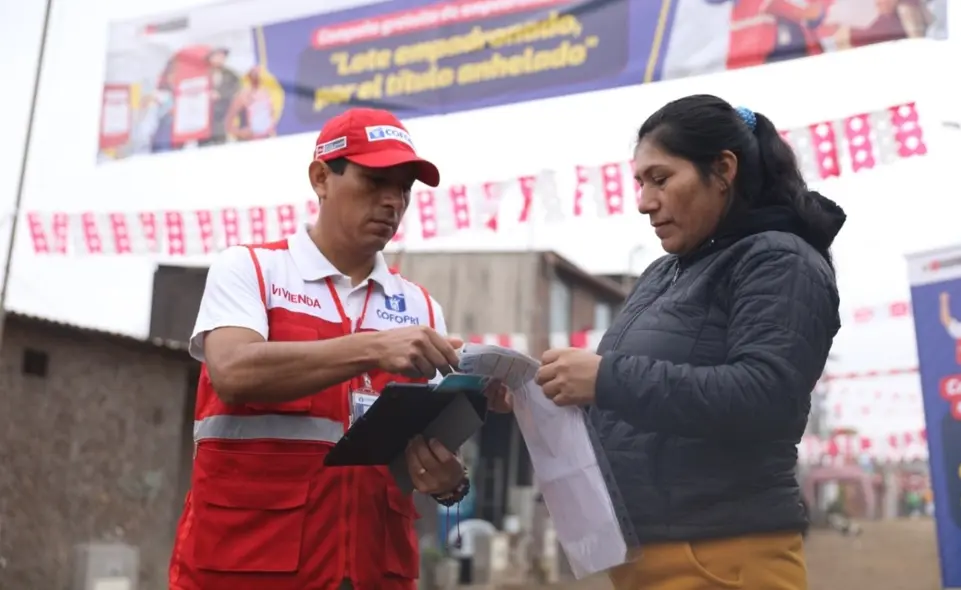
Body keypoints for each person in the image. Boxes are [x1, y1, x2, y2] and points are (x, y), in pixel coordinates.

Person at [532, 95, 846, 589]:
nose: (643, 201)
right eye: (640, 183)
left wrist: (605, 377)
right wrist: (536, 392)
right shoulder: (665, 273)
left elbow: (767, 396)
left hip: (722, 558)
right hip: (645, 554)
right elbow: (632, 408)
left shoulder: (780, 261)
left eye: (660, 179)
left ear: (722, 170)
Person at [169, 108, 481, 590]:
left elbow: (427, 455)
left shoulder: (421, 307)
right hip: (243, 571)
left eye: (404, 187)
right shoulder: (251, 270)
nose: (392, 201)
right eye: (375, 180)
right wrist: (372, 348)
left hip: (373, 573)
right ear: (321, 177)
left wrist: (449, 482)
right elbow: (232, 371)